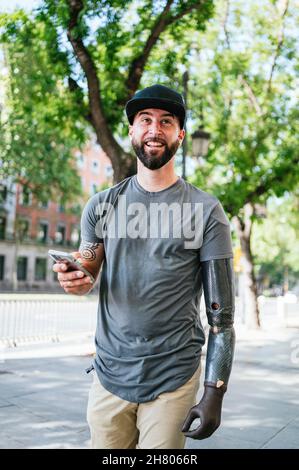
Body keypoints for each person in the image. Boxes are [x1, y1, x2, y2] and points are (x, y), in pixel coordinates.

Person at [53, 84, 235, 449]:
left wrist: (214, 392)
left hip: (173, 376)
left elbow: (222, 317)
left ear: (180, 135)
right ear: (132, 131)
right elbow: (87, 266)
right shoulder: (102, 206)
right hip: (109, 375)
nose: (155, 129)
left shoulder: (206, 210)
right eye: (145, 120)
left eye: (166, 122)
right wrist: (75, 276)